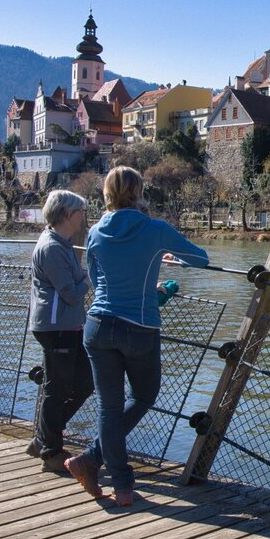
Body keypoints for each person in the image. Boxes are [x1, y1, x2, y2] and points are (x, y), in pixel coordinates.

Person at [65, 166, 209, 506]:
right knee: (144, 395)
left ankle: (120, 484)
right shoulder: (155, 229)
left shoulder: (96, 233)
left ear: (106, 194)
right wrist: (169, 257)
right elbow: (200, 259)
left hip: (98, 324)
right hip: (140, 326)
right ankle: (92, 461)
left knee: (108, 408)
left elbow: (98, 283)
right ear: (139, 192)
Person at [27, 190, 92, 471]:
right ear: (68, 214)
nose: (83, 218)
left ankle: (44, 437)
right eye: (80, 212)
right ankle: (50, 451)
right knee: (57, 389)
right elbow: (71, 293)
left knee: (85, 383)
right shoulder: (53, 248)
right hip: (57, 326)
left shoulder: (60, 243)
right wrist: (89, 278)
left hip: (67, 324)